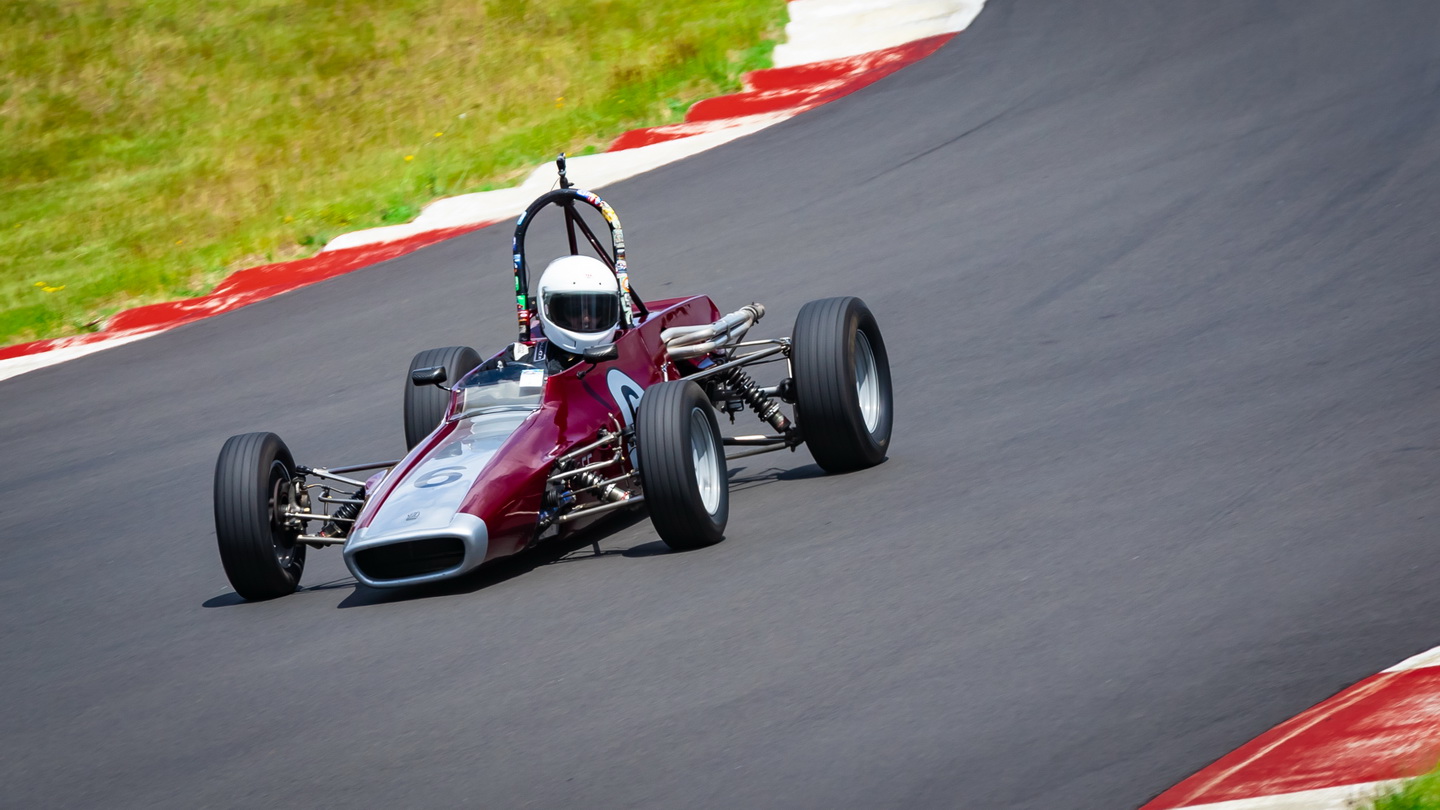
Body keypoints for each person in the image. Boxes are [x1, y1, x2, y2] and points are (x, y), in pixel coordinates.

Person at [505, 254, 623, 372]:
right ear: (552, 310)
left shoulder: (629, 350)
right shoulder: (522, 359)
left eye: (597, 310)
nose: (586, 319)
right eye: (575, 310)